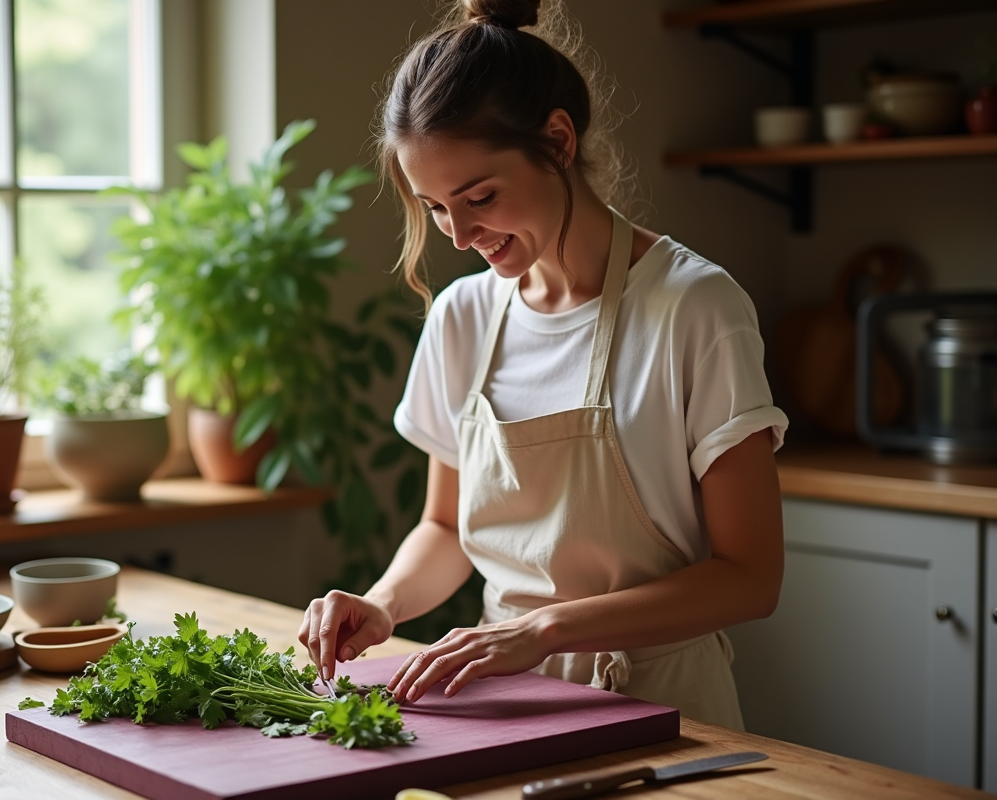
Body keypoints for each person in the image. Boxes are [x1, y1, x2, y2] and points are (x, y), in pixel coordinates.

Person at [298, 0, 788, 730]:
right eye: (434, 207)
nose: (460, 235)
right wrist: (383, 602)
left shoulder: (695, 307)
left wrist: (545, 631)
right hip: (506, 704)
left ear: (558, 140)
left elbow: (750, 579)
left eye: (480, 197)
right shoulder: (463, 316)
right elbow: (444, 526)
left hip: (669, 707)